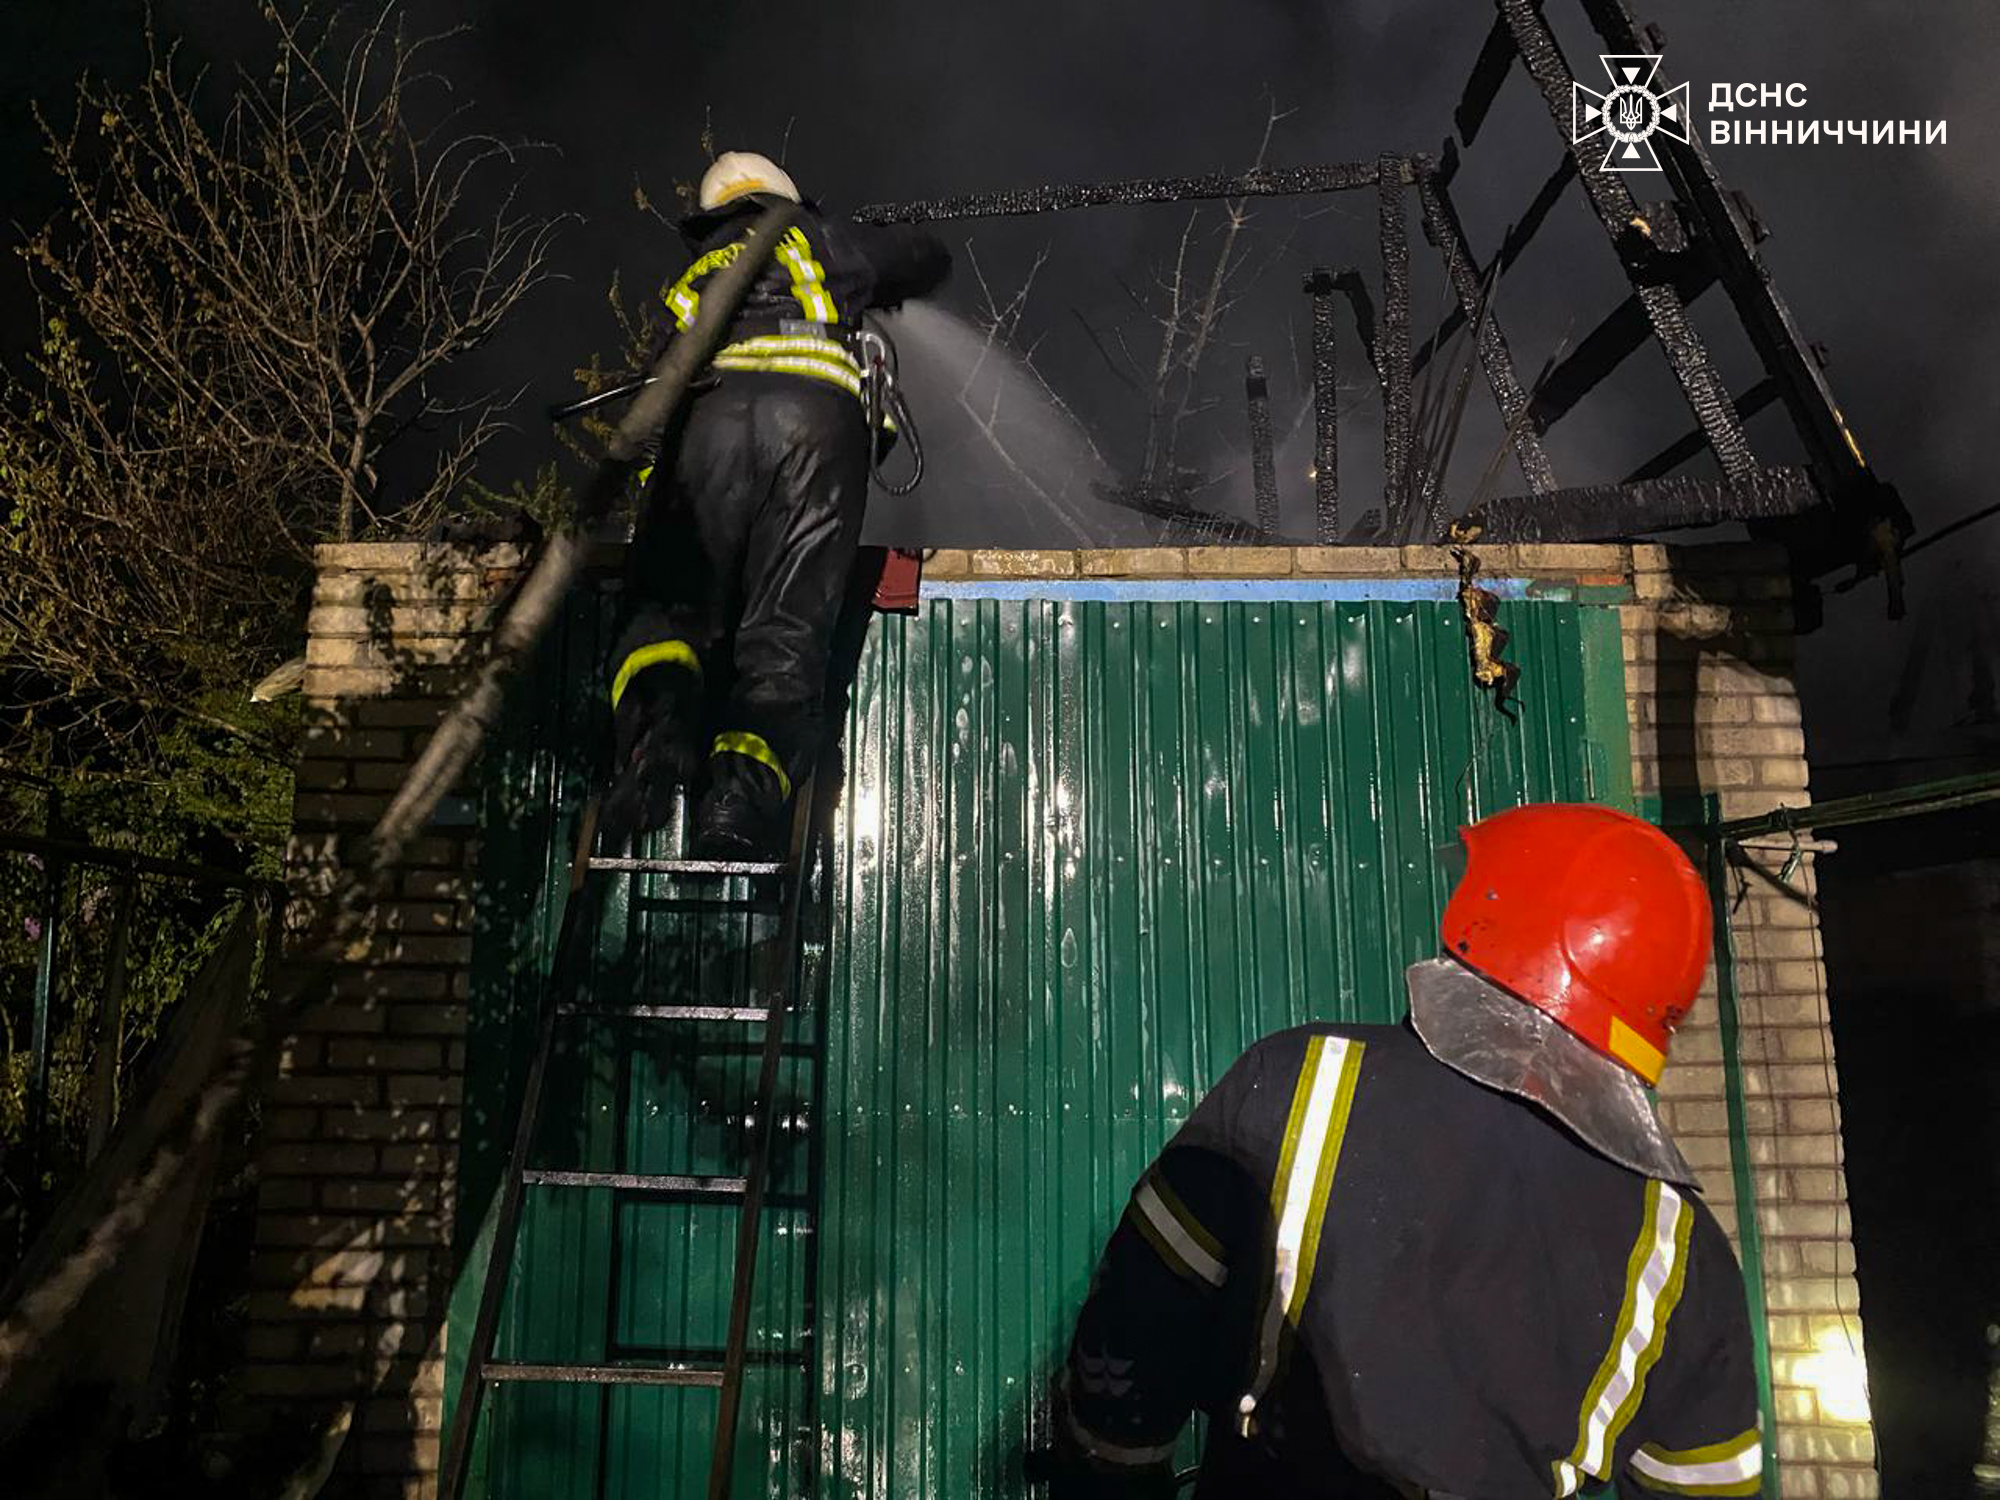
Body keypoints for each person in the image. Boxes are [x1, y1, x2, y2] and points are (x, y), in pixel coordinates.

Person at [1047, 803, 1765, 1499]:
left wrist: (1114, 1475)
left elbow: (1137, 1329)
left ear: (1502, 921)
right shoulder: (1687, 1254)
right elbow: (1711, 1484)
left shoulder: (1302, 1082)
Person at [603, 150, 951, 858]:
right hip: (816, 433)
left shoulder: (695, 277)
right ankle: (736, 803)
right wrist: (889, 258)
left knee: (667, 608)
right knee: (787, 628)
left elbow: (655, 394)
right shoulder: (813, 238)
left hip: (707, 430)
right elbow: (925, 257)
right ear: (783, 197)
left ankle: (655, 746)